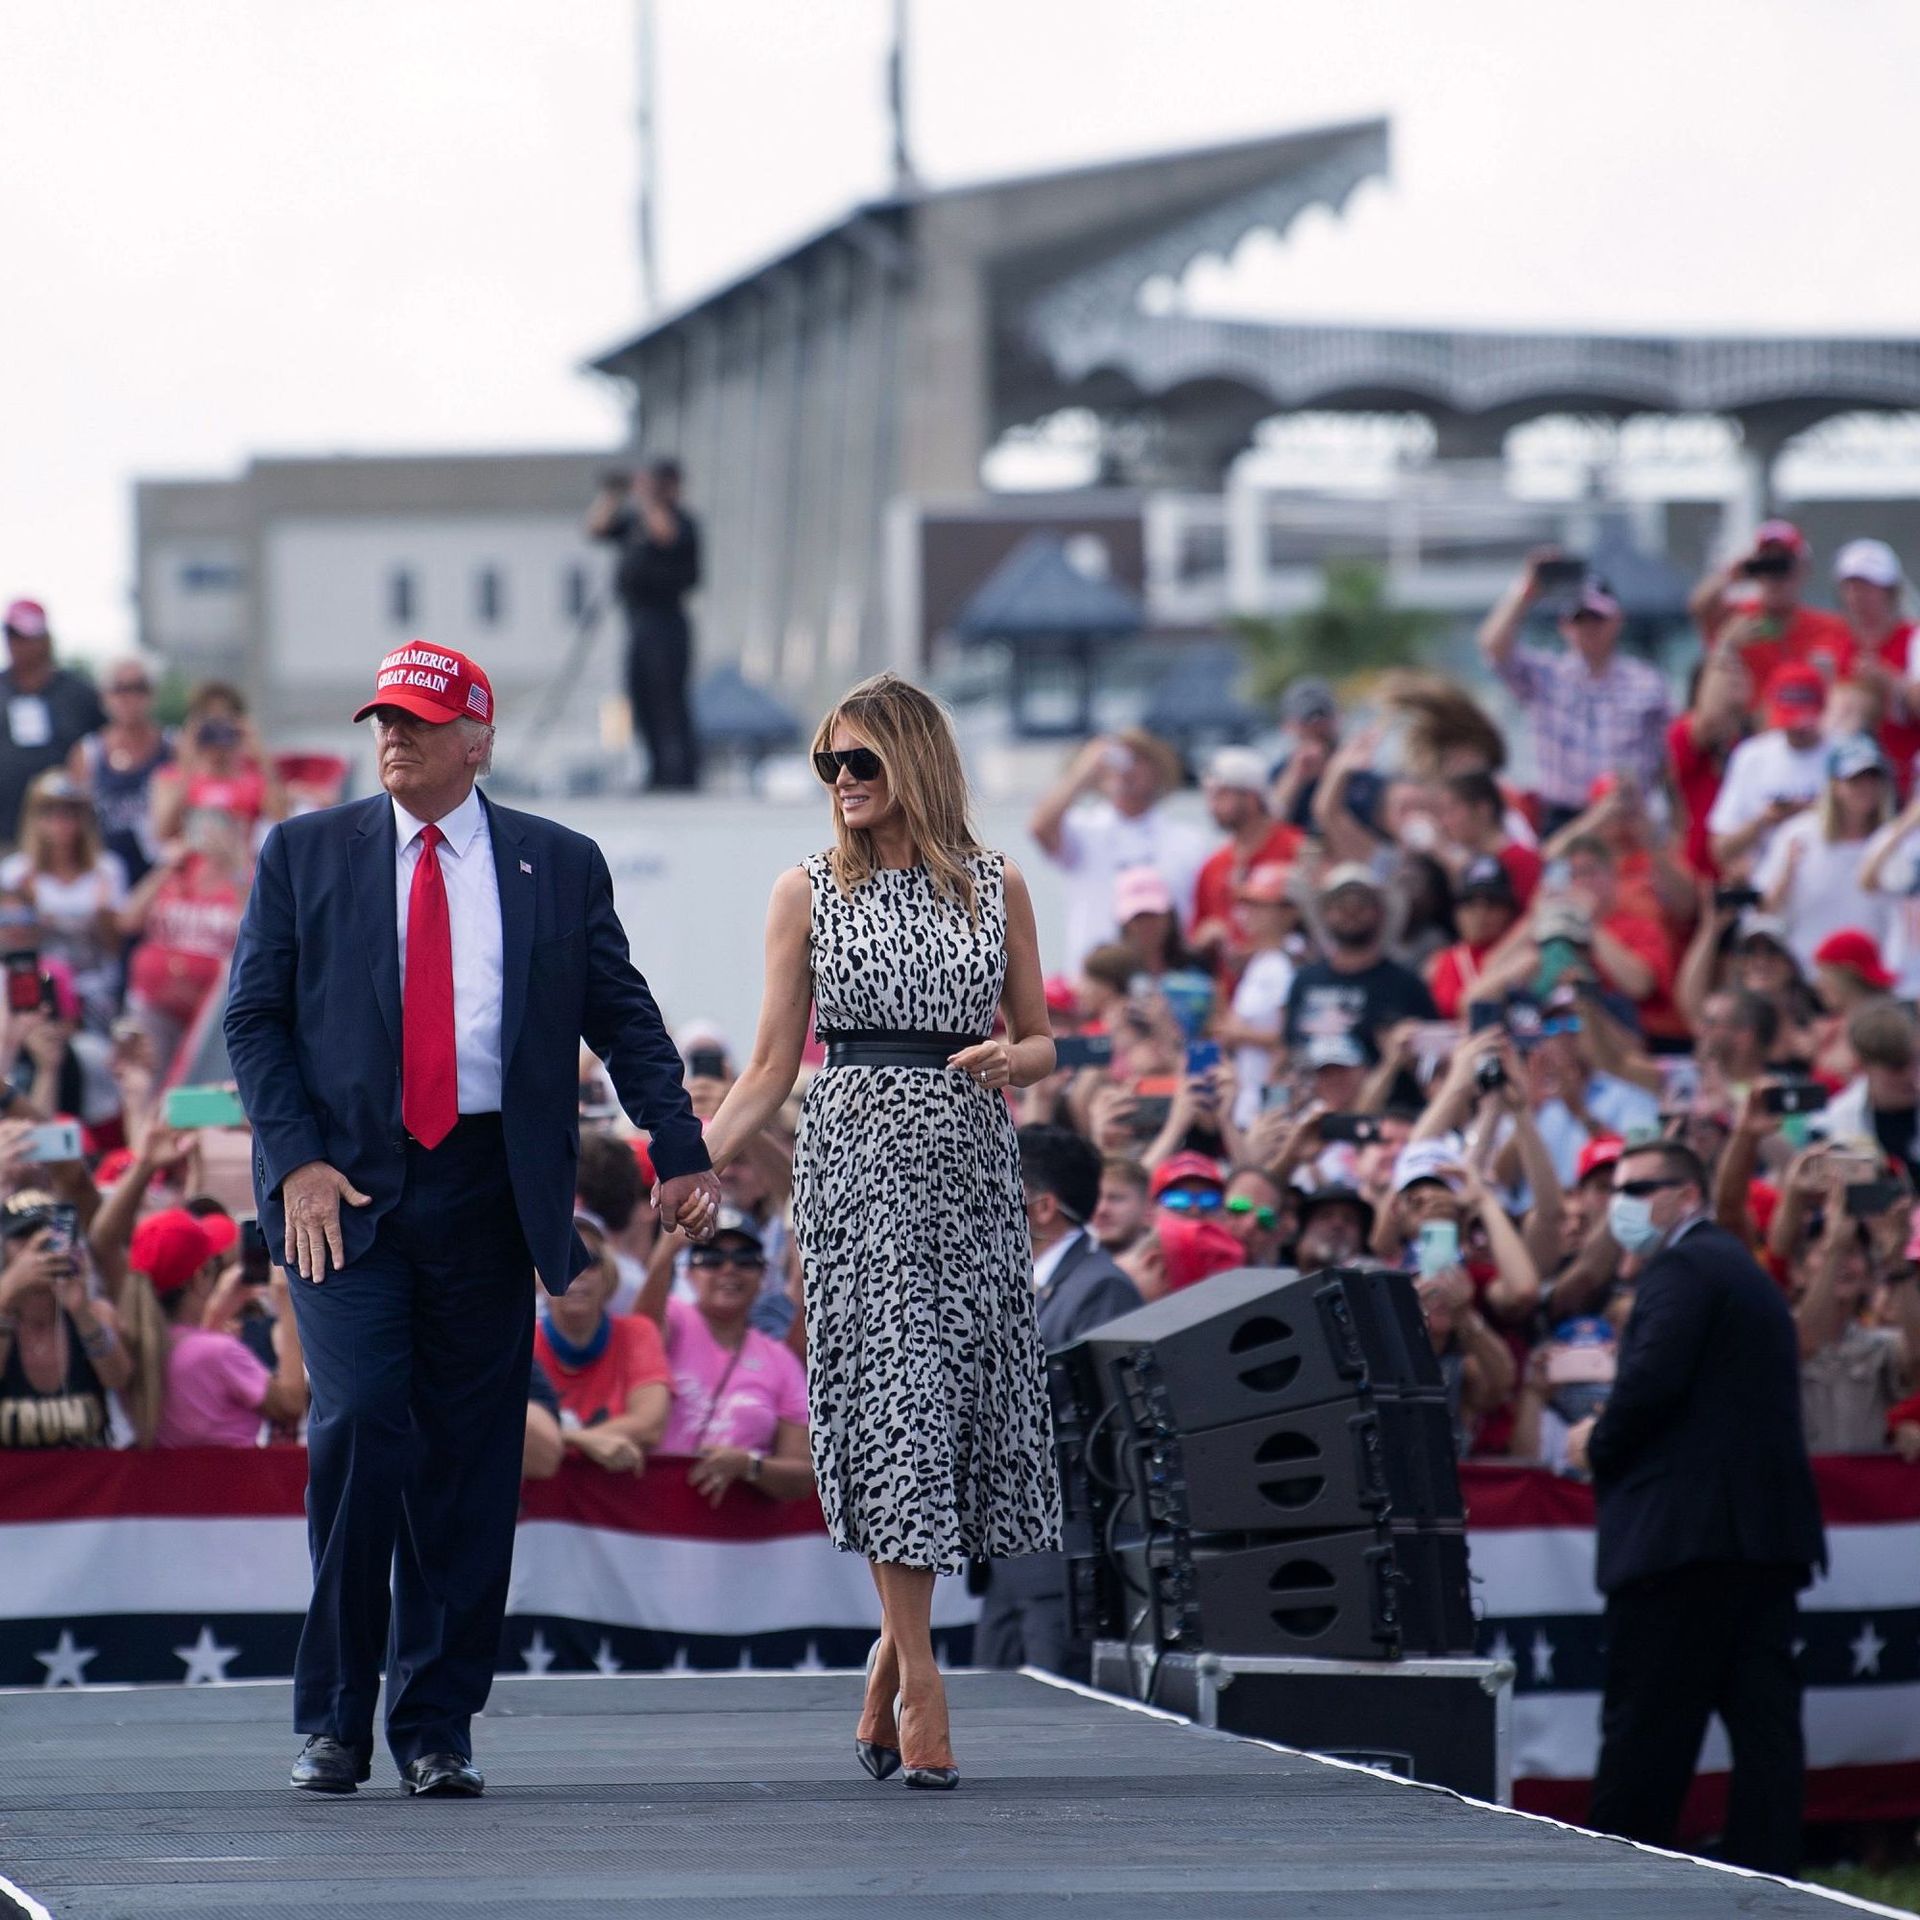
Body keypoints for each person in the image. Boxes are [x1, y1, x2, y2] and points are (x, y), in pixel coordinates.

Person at [224, 641, 720, 1800]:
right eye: (381, 720)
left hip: (491, 1194)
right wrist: (294, 1163)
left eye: (418, 720)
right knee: (356, 1427)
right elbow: (253, 1022)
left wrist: (679, 1146)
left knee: (469, 1459)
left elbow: (626, 1016)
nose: (392, 737)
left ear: (476, 737)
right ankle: (337, 1717)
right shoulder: (304, 853)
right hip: (341, 1197)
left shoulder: (558, 861)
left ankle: (436, 1721)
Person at [702, 670, 1061, 1793]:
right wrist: (691, 1157)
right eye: (828, 766)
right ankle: (925, 1688)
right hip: (856, 1162)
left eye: (859, 760)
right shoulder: (805, 890)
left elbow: (1047, 1038)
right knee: (898, 1407)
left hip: (970, 1163)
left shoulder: (996, 886)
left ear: (916, 762)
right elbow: (769, 1067)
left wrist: (1018, 1058)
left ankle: (883, 1667)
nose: (842, 782)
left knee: (949, 1416)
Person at [1570, 1140, 1826, 1877]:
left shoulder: (1682, 1268)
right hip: (1757, 1541)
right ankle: (1771, 1882)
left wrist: (1598, 1440)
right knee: (1764, 1734)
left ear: (1685, 1196)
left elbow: (1648, 1386)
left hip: (1685, 1546)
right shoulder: (1736, 1269)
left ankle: (1619, 1882)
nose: (1619, 1202)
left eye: (1637, 1187)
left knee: (1648, 1734)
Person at [975, 1126, 1141, 1679]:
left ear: (1041, 1207)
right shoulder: (1022, 1283)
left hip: (1061, 1557)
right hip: (1010, 1556)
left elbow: (1099, 1422)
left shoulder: (1099, 1288)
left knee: (1055, 1727)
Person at [637, 1206, 812, 1504]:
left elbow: (804, 1475)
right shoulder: (674, 1320)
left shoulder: (779, 1360)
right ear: (689, 1273)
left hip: (732, 1538)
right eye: (712, 1259)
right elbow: (641, 1339)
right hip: (653, 1518)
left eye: (745, 1260)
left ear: (763, 1274)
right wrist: (664, 1255)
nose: (729, 1269)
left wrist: (749, 1465)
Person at [1477, 562, 1670, 830]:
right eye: (1579, 619)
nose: (1589, 628)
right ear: (1564, 626)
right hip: (1563, 816)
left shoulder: (1647, 682)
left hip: (1625, 818)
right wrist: (1528, 587)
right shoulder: (1546, 675)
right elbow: (1493, 646)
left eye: (1597, 618)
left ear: (1617, 620)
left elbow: (1667, 757)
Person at [116, 1208, 308, 1448]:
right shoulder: (217, 1352)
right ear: (199, 1277)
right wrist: (286, 1303)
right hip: (235, 1481)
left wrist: (216, 1315)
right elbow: (290, 1404)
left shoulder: (134, 1346)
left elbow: (189, 1355)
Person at [1028, 727, 1205, 966]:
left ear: (1158, 771)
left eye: (1139, 760)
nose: (1127, 769)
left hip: (1165, 982)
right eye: (1121, 759)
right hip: (1094, 981)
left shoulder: (1188, 841)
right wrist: (1085, 769)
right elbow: (1039, 827)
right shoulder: (1084, 829)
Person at [587, 459, 703, 793]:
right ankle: (655, 769)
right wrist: (613, 493)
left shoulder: (682, 521)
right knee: (641, 696)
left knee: (669, 697)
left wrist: (648, 497)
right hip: (637, 619)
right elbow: (597, 528)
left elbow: (666, 536)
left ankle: (680, 772)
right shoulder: (635, 522)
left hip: (667, 620)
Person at [533, 1216, 672, 1473]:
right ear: (539, 1279)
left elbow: (650, 1425)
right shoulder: (525, 1343)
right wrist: (584, 1440)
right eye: (562, 1259)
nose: (577, 1272)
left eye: (590, 1260)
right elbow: (511, 1427)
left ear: (608, 1273)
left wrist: (560, 1441)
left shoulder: (637, 1333)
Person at [119, 807, 252, 1074]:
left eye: (217, 830)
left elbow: (255, 930)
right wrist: (164, 867)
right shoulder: (175, 873)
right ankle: (142, 1117)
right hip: (155, 1000)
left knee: (199, 1083)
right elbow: (127, 921)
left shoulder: (242, 879)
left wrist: (237, 867)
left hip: (213, 1009)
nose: (208, 838)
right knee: (147, 1076)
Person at [0, 1188, 130, 1448]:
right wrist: (6, 1297)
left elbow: (118, 1378)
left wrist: (80, 1311)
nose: (36, 1247)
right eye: (23, 1236)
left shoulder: (96, 1313)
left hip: (87, 1483)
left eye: (48, 1235)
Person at [0, 771, 128, 1029]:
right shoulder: (15, 872)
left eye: (69, 814)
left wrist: (103, 914)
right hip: (40, 991)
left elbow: (117, 948)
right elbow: (9, 948)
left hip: (96, 990)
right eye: (49, 813)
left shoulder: (108, 869)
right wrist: (30, 913)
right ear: (33, 819)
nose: (60, 822)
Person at [1282, 864, 1437, 1063]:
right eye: (1340, 905)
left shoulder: (1406, 985)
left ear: (1380, 913)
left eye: (1360, 904)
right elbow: (1288, 1049)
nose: (1350, 912)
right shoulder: (1304, 981)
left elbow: (1431, 1058)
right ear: (1325, 913)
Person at [1690, 519, 1856, 698]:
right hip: (1748, 723)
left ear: (1804, 568)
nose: (1775, 576)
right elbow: (1700, 606)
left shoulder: (1832, 628)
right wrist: (1733, 574)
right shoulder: (1738, 619)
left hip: (1806, 722)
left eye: (1783, 565)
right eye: (1768, 565)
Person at [0, 600, 106, 858]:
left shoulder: (79, 694)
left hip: (68, 839)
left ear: (45, 639)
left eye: (25, 637)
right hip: (4, 833)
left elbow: (104, 747)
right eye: (11, 635)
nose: (18, 644)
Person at [1705, 662, 1832, 872]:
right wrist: (1766, 819)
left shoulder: (1844, 754)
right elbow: (1720, 849)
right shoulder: (1752, 756)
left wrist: (1813, 810)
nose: (1796, 730)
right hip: (1767, 886)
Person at [1186, 747, 1299, 979]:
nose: (1211, 804)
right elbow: (1195, 936)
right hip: (1230, 997)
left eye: (1221, 794)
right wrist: (1207, 938)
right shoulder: (1213, 865)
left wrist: (1262, 949)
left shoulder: (1295, 849)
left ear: (1251, 797)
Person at [68, 656, 172, 884]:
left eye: (139, 688)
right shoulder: (88, 752)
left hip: (162, 876)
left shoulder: (174, 747)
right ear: (104, 696)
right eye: (120, 688)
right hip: (105, 877)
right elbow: (75, 826)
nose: (130, 698)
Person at [147, 681, 285, 845]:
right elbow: (163, 832)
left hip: (239, 865)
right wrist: (187, 760)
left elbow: (281, 819)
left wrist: (260, 755)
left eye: (225, 719)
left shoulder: (253, 778)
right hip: (191, 865)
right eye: (209, 720)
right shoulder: (172, 776)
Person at [1830, 538, 1920, 789]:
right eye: (1851, 587)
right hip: (1847, 784)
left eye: (1868, 587)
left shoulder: (1913, 639)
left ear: (1890, 591)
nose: (1858, 596)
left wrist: (1890, 682)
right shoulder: (1832, 644)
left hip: (1906, 777)